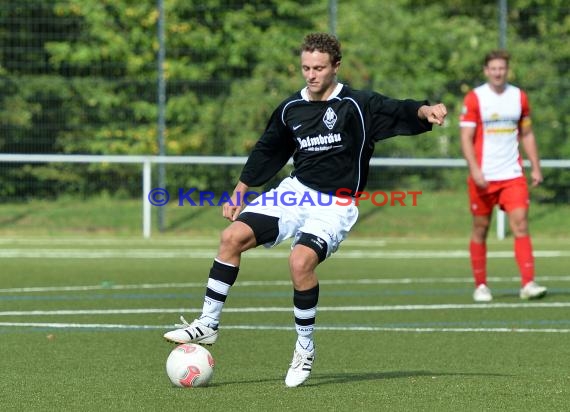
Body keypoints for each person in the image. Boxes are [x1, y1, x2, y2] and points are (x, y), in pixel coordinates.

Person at [164, 32, 447, 387]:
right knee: (231, 237)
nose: (311, 75)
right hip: (296, 193)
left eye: (319, 68)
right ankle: (208, 324)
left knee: (300, 261)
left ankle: (304, 347)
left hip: (336, 205)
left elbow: (402, 109)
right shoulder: (290, 109)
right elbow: (267, 150)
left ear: (335, 67)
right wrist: (240, 191)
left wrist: (426, 110)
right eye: (305, 68)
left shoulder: (359, 105)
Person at [459, 49, 547, 303]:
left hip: (512, 175)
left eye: (502, 68)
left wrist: (536, 166)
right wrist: (475, 170)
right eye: (493, 68)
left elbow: (527, 134)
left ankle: (528, 283)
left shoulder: (519, 97)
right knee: (480, 229)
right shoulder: (475, 98)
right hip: (484, 176)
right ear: (486, 71)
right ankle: (481, 285)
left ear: (507, 70)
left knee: (520, 224)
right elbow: (465, 137)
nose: (498, 72)